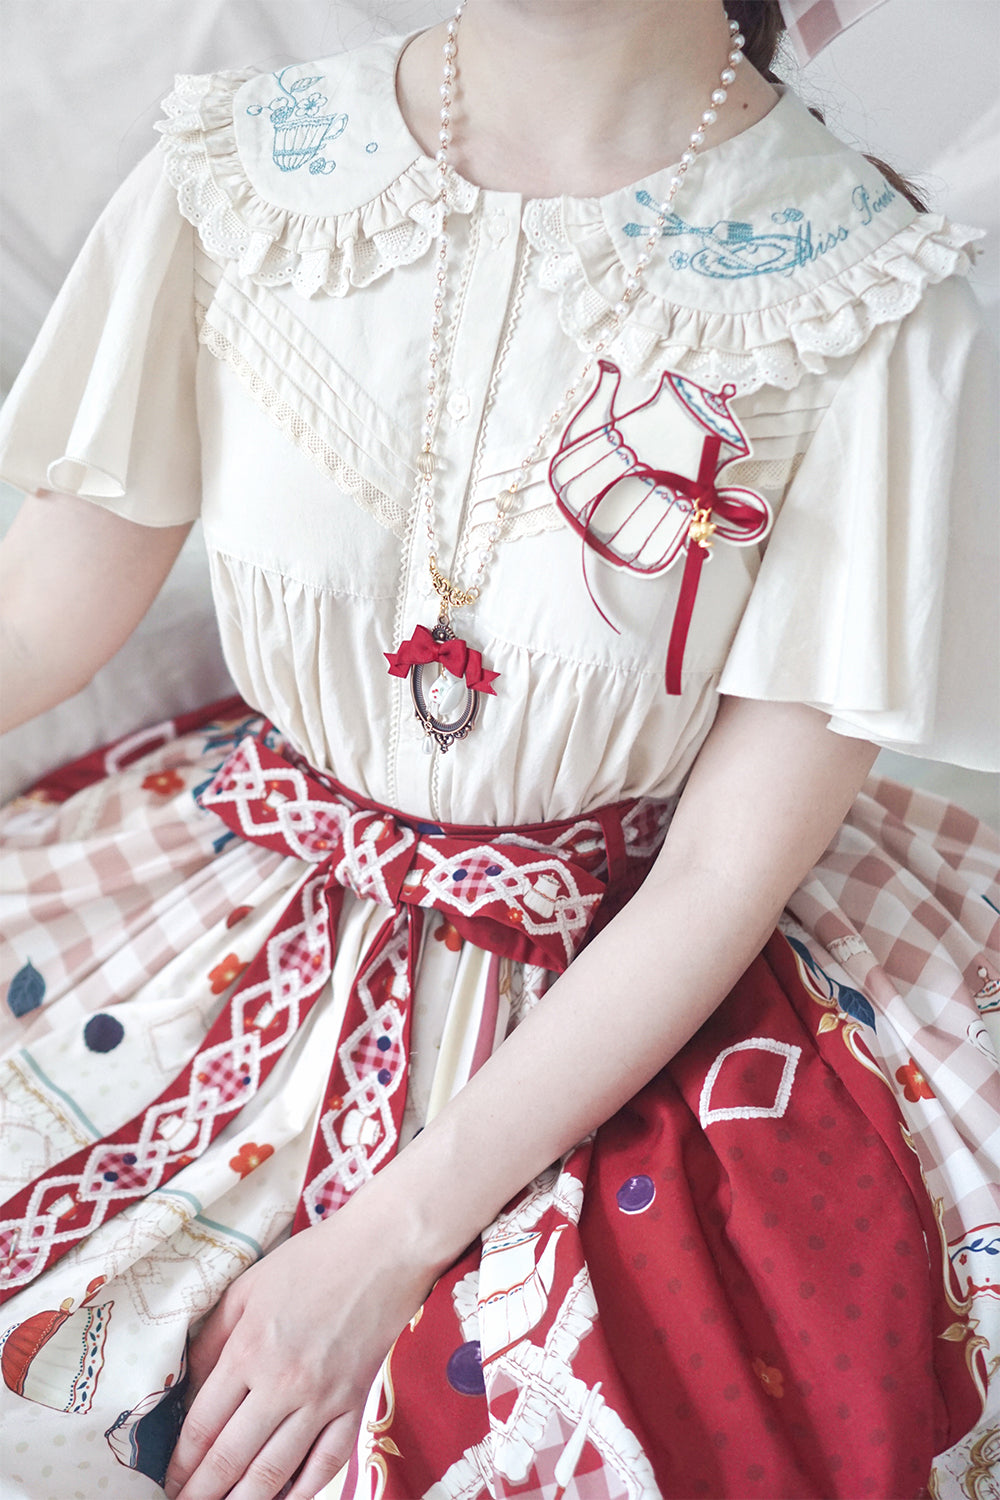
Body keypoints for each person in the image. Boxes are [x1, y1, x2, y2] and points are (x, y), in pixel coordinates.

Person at [0, 2, 997, 1497]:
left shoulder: (863, 293)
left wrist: (387, 1246)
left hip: (634, 986)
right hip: (231, 897)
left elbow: (719, 875)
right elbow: (44, 616)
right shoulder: (247, 170)